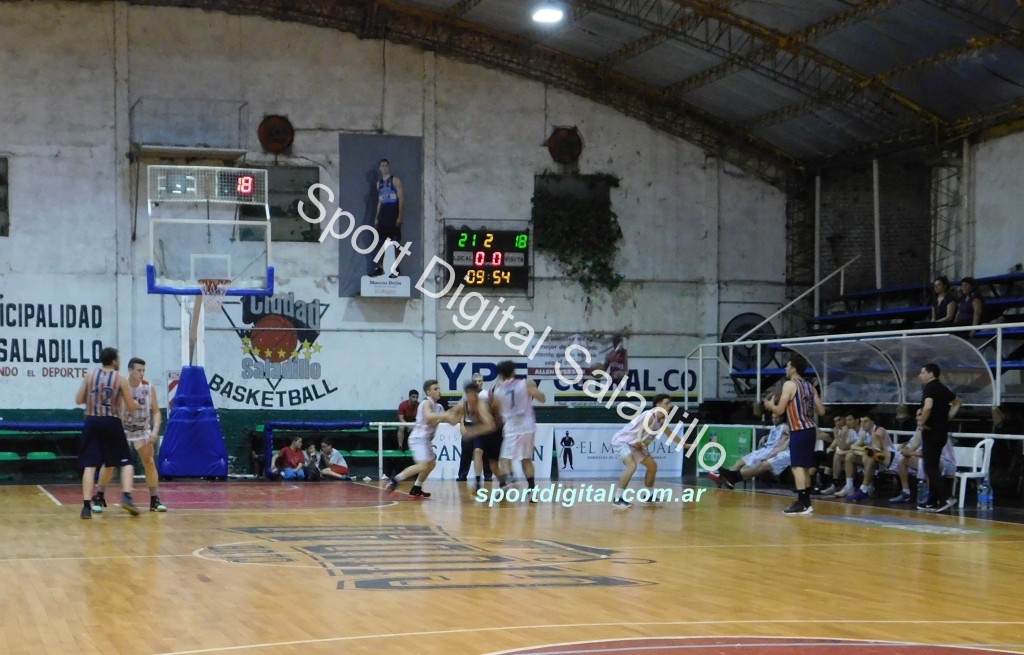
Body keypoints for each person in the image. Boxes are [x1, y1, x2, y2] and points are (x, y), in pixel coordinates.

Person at [91, 357, 166, 514]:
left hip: (142, 430)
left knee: (149, 462)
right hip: (122, 430)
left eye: (143, 370)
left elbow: (156, 411)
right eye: (139, 370)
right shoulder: (121, 386)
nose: (142, 373)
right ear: (130, 370)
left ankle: (154, 499)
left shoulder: (148, 387)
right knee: (110, 464)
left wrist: (155, 431)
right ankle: (99, 496)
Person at [75, 347, 141, 519]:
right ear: (113, 361)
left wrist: (93, 400)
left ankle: (86, 507)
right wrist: (137, 404)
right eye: (118, 359)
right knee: (126, 461)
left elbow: (78, 399)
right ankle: (127, 496)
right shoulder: (120, 379)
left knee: (90, 465)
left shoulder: (90, 376)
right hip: (111, 421)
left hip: (92, 421)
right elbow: (130, 405)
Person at [762, 355, 825, 515]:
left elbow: (780, 410)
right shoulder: (810, 386)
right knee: (805, 467)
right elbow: (821, 411)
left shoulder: (790, 385)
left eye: (788, 366)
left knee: (797, 466)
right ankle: (807, 503)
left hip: (798, 429)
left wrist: (770, 405)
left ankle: (801, 502)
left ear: (794, 368)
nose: (785, 368)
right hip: (810, 429)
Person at [385, 379, 454, 498]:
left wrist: (460, 411)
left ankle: (416, 488)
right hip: (418, 438)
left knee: (431, 464)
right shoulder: (426, 403)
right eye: (435, 389)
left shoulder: (439, 407)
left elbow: (451, 420)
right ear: (428, 392)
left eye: (439, 388)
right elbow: (429, 417)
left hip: (426, 440)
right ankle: (394, 480)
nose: (438, 391)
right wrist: (445, 415)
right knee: (422, 465)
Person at [610, 394, 678, 508]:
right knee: (632, 466)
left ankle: (649, 496)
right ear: (658, 404)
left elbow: (670, 434)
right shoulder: (650, 414)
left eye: (669, 404)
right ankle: (617, 498)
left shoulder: (661, 420)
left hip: (635, 444)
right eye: (666, 403)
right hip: (622, 441)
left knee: (652, 466)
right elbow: (642, 428)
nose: (669, 406)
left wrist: (685, 444)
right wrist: (640, 439)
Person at [490, 360, 546, 497]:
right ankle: (531, 489)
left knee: (504, 459)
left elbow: (495, 409)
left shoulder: (498, 390)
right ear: (513, 371)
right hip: (527, 425)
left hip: (511, 427)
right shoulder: (526, 384)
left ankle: (511, 479)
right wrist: (533, 391)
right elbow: (542, 398)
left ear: (500, 374)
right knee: (526, 459)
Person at [917, 363, 961, 513]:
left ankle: (947, 497)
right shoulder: (942, 388)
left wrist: (921, 422)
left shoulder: (929, 388)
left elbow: (928, 406)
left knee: (929, 466)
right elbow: (957, 402)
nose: (920, 375)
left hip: (932, 432)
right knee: (933, 466)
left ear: (930, 374)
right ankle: (932, 502)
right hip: (942, 432)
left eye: (923, 373)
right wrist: (947, 418)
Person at [709, 413, 790, 489]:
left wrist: (776, 451)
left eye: (776, 417)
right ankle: (724, 478)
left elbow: (788, 437)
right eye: (773, 418)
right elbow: (774, 436)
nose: (774, 419)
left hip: (770, 451)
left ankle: (728, 478)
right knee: (739, 462)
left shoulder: (785, 427)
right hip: (763, 450)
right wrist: (765, 437)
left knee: (745, 468)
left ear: (782, 417)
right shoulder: (774, 427)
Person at [444, 378, 498, 489]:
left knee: (493, 462)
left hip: (491, 431)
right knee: (477, 452)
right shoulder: (464, 401)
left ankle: (501, 480)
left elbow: (490, 424)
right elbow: (453, 413)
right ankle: (477, 480)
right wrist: (438, 418)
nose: (469, 395)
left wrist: (473, 431)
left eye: (471, 393)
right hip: (476, 427)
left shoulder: (482, 402)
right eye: (467, 393)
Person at [843, 415, 896, 502]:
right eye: (861, 421)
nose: (863, 424)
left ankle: (866, 488)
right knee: (850, 456)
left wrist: (862, 450)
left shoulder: (879, 431)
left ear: (872, 422)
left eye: (865, 421)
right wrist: (862, 450)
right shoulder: (864, 432)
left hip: (890, 459)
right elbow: (853, 446)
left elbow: (875, 452)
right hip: (877, 459)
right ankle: (849, 486)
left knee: (868, 457)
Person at [372, 158, 404, 277]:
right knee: (380, 242)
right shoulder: (379, 184)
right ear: (380, 168)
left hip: (393, 213)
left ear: (389, 167)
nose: (384, 168)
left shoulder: (395, 180)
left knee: (395, 242)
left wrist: (399, 216)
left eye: (386, 165)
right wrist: (376, 218)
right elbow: (380, 202)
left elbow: (401, 199)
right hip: (383, 215)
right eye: (382, 166)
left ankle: (397, 269)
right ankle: (380, 267)